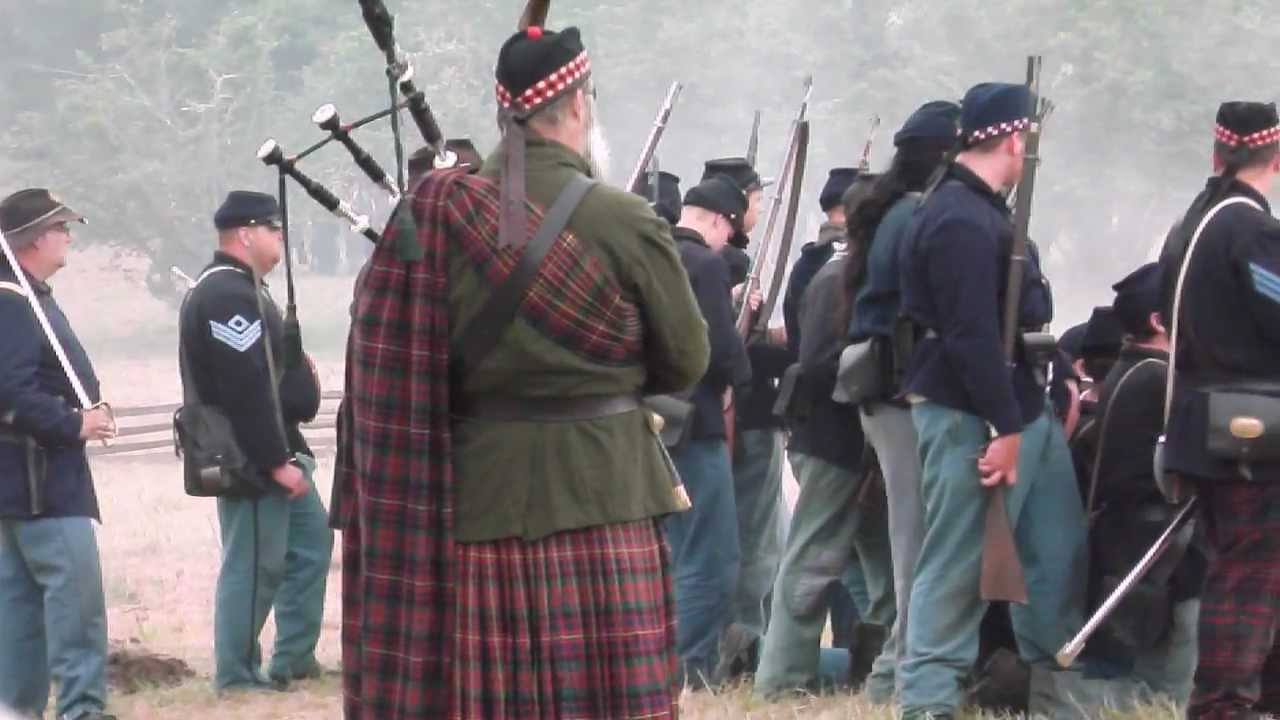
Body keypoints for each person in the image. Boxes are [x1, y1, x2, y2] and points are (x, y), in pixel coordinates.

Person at [335, 24, 709, 719]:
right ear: (577, 103)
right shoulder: (622, 218)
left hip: (484, 503)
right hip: (607, 496)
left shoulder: (440, 214)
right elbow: (686, 357)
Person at [896, 82, 1087, 720]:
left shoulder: (985, 211)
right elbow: (971, 334)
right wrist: (1004, 427)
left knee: (1054, 558)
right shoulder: (958, 217)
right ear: (1012, 139)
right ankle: (927, 703)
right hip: (973, 409)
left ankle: (1057, 700)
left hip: (1016, 403)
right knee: (958, 564)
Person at [1155, 101, 1280, 719]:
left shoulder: (1191, 224)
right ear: (1275, 158)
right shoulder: (1250, 230)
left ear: (1218, 153)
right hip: (1251, 428)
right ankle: (1223, 706)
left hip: (1206, 421)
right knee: (1248, 572)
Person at [179, 190, 332, 692]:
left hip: (277, 447)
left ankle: (294, 658)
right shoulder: (226, 294)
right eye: (273, 228)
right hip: (248, 457)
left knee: (310, 545)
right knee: (253, 565)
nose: (281, 236)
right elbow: (244, 388)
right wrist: (274, 460)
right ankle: (237, 674)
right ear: (245, 234)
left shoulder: (245, 288)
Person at [754, 175, 897, 699]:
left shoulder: (856, 275)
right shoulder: (838, 278)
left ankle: (888, 674)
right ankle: (781, 680)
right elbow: (818, 365)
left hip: (860, 445)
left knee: (889, 569)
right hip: (834, 442)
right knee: (812, 564)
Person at [843, 100, 960, 703]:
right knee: (916, 543)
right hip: (896, 391)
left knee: (914, 539)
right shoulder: (913, 215)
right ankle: (897, 677)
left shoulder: (898, 212)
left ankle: (896, 672)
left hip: (888, 390)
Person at [0, 189, 116, 720]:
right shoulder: (12, 301)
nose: (69, 236)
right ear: (35, 239)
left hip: (25, 486)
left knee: (19, 613)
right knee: (77, 609)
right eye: (62, 228)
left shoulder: (24, 295)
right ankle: (81, 711)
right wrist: (75, 422)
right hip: (43, 484)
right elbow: (12, 392)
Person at [666, 174, 754, 687]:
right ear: (720, 221)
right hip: (696, 423)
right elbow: (721, 349)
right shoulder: (705, 264)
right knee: (711, 554)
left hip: (652, 423)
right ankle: (691, 668)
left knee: (673, 550)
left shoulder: (653, 251)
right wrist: (740, 377)